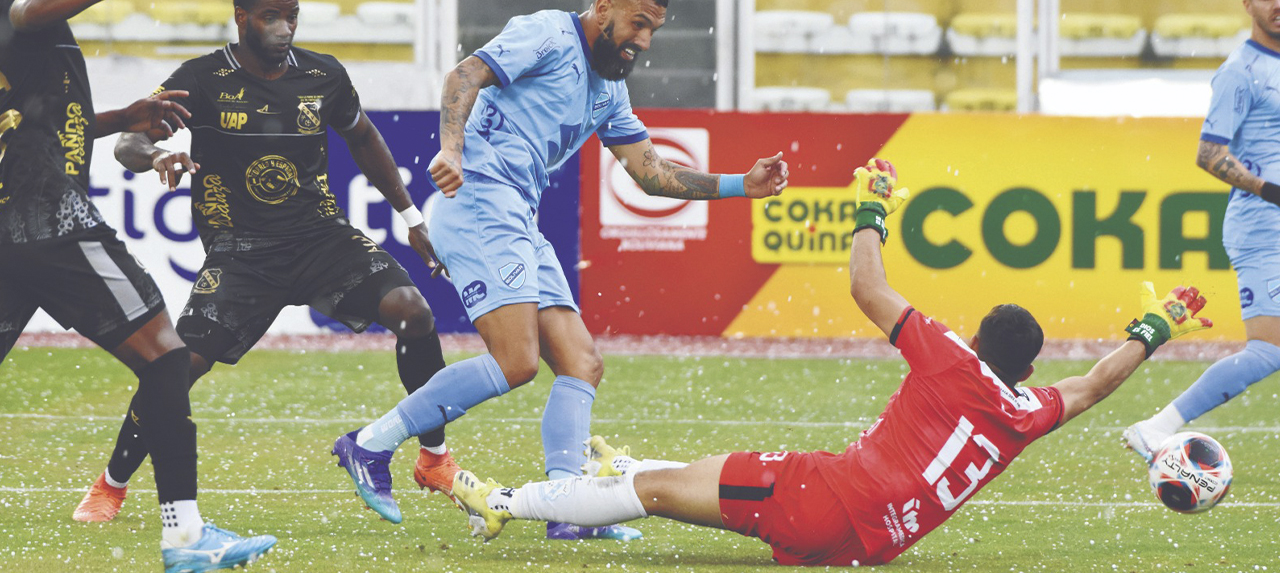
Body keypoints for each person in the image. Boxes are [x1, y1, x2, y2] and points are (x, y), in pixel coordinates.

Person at [448, 159, 1213, 567]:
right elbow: (1095, 384)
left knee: (653, 492)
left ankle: (505, 502)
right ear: (1026, 369)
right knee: (702, 478)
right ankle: (623, 467)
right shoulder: (1027, 412)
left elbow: (864, 284)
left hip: (828, 496)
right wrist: (1158, 324)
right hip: (870, 545)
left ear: (978, 341)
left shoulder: (948, 360)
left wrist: (872, 205)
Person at [333, 0, 789, 540]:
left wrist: (738, 185)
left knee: (581, 364)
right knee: (517, 362)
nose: (643, 42)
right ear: (604, 9)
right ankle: (369, 445)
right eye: (638, 24)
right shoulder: (548, 33)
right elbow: (463, 75)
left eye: (653, 31)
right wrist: (452, 148)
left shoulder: (610, 89)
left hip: (517, 214)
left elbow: (649, 173)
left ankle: (567, 509)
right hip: (478, 199)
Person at [72, 0, 451, 526]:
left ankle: (434, 457)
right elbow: (128, 140)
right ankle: (111, 484)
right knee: (175, 365)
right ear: (241, 17)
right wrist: (158, 156)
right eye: (271, 16)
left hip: (322, 240)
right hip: (240, 254)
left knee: (413, 312)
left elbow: (365, 137)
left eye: (292, 15)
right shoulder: (200, 79)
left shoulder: (323, 76)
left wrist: (409, 213)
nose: (284, 28)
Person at [0, 0, 276, 570]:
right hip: (53, 222)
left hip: (12, 231)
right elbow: (26, 9)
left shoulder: (27, 35)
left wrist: (122, 115)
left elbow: (43, 117)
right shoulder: (18, 4)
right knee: (165, 358)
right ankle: (185, 536)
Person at [1124, 0, 1280, 461]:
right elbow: (1209, 154)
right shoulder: (1240, 72)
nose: (1278, 6)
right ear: (1248, 4)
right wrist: (1270, 189)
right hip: (1264, 224)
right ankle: (1157, 426)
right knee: (1269, 350)